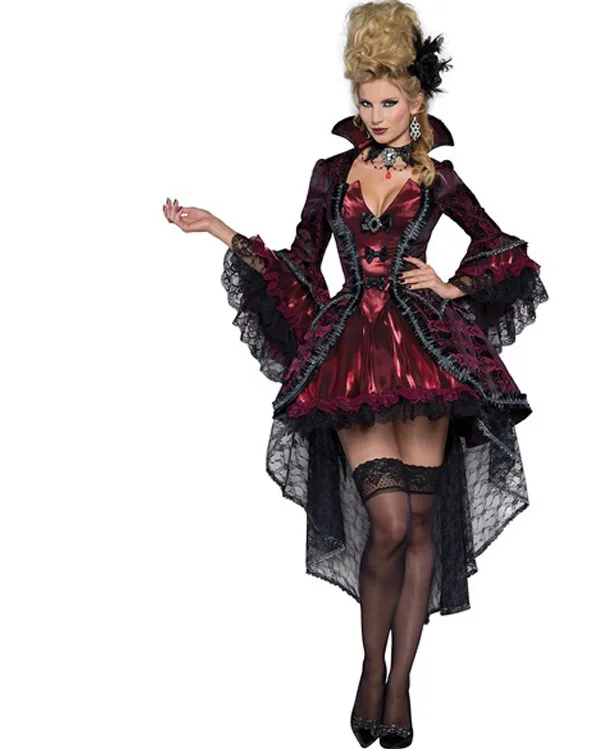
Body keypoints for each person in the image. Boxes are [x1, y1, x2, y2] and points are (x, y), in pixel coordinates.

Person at [162, 1, 548, 745]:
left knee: (423, 523)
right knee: (389, 522)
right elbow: (301, 267)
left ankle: (401, 686)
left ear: (416, 99)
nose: (374, 116)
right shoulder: (330, 173)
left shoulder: (439, 178)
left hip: (427, 356)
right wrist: (218, 229)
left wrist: (454, 285)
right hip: (352, 359)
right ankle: (372, 667)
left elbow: (505, 248)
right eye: (365, 102)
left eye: (388, 102)